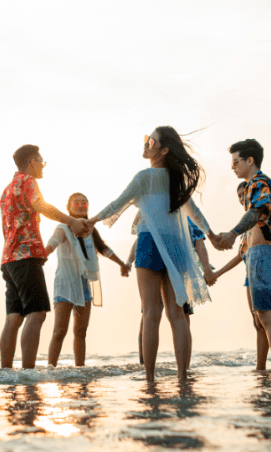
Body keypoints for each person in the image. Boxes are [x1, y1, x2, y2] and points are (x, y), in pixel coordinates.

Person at [88, 126, 219, 381]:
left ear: (163, 149)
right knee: (177, 314)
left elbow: (118, 204)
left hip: (149, 243)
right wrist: (211, 234)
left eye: (151, 141)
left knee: (151, 313)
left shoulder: (144, 177)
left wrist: (91, 221)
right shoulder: (176, 180)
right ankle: (183, 377)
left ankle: (150, 380)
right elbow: (194, 213)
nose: (146, 144)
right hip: (176, 247)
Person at [0, 144, 91, 369]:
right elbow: (40, 206)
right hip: (26, 256)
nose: (43, 166)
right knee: (37, 313)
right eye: (41, 161)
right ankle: (28, 373)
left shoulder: (6, 190)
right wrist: (70, 221)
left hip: (8, 259)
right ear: (32, 162)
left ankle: (6, 373)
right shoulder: (28, 182)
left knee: (14, 317)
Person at [214, 139, 271, 372]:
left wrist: (232, 233)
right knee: (263, 319)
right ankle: (266, 370)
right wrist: (230, 236)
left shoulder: (259, 182)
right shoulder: (253, 186)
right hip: (256, 256)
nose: (232, 166)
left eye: (236, 161)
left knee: (267, 318)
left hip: (264, 255)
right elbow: (251, 225)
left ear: (250, 161)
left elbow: (258, 211)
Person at [45, 193, 130, 367]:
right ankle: (50, 370)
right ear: (69, 208)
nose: (81, 205)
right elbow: (53, 243)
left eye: (84, 202)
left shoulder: (91, 231)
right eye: (76, 202)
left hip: (84, 285)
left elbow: (104, 249)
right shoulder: (63, 228)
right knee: (59, 331)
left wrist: (122, 264)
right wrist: (41, 255)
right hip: (65, 284)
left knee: (81, 332)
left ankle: (80, 371)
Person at [127, 212, 215, 364]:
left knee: (181, 315)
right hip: (152, 263)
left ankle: (184, 368)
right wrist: (128, 261)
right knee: (149, 316)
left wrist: (206, 268)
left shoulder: (186, 212)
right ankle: (145, 365)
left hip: (180, 269)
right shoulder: (150, 206)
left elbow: (199, 241)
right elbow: (140, 236)